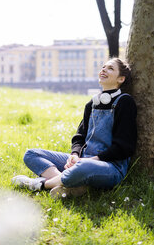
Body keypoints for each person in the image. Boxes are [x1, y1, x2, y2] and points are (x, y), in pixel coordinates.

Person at [12, 58, 137, 198]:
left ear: (121, 78)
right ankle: (69, 184)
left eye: (110, 68)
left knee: (82, 168)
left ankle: (39, 184)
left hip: (110, 167)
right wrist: (75, 155)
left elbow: (124, 147)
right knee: (31, 154)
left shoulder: (125, 102)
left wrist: (88, 161)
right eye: (103, 67)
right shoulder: (92, 104)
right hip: (81, 160)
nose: (103, 70)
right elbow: (79, 136)